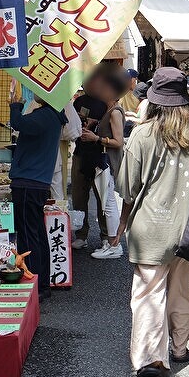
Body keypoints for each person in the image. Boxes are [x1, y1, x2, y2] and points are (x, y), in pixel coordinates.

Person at [116, 67, 189, 377]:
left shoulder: (142, 133)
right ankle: (179, 348)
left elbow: (127, 186)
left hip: (150, 229)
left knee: (149, 293)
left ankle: (152, 358)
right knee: (182, 290)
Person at [8, 78, 66, 299]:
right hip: (37, 182)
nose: (37, 92)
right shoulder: (53, 116)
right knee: (37, 234)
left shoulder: (45, 116)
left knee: (28, 235)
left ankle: (34, 282)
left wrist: (15, 103)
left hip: (28, 182)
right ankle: (42, 284)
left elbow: (18, 123)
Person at [89, 68, 129, 259]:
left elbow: (118, 142)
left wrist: (97, 138)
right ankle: (112, 243)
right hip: (104, 163)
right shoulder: (110, 110)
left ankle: (114, 245)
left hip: (109, 163)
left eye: (103, 87)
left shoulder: (114, 112)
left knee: (109, 203)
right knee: (107, 202)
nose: (100, 90)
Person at [71, 69, 109, 250]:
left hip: (100, 155)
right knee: (79, 197)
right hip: (80, 153)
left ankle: (106, 236)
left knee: (103, 198)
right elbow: (70, 125)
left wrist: (96, 123)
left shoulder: (107, 102)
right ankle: (81, 234)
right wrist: (79, 121)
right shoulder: (78, 101)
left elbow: (114, 126)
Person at [51, 99, 82, 203]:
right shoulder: (62, 100)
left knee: (56, 185)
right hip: (56, 150)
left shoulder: (63, 102)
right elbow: (74, 132)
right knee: (57, 188)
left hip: (55, 149)